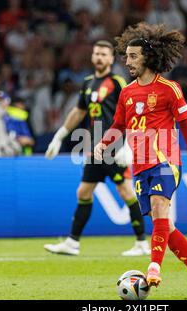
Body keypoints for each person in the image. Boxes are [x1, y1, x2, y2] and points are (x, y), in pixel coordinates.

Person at [94, 23, 187, 299]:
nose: (127, 62)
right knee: (166, 227)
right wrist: (102, 144)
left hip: (166, 160)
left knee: (160, 209)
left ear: (148, 58)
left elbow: (186, 125)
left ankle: (153, 267)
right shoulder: (127, 92)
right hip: (139, 165)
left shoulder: (169, 89)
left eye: (133, 56)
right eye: (126, 57)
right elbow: (118, 125)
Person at [43, 40, 150, 257]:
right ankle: (73, 243)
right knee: (83, 191)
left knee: (126, 191)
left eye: (104, 54)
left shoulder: (118, 82)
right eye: (97, 53)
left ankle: (142, 243)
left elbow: (133, 112)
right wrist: (59, 135)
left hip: (114, 147)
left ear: (111, 59)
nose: (99, 57)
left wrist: (128, 144)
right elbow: (79, 112)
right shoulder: (88, 82)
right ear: (92, 57)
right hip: (94, 148)